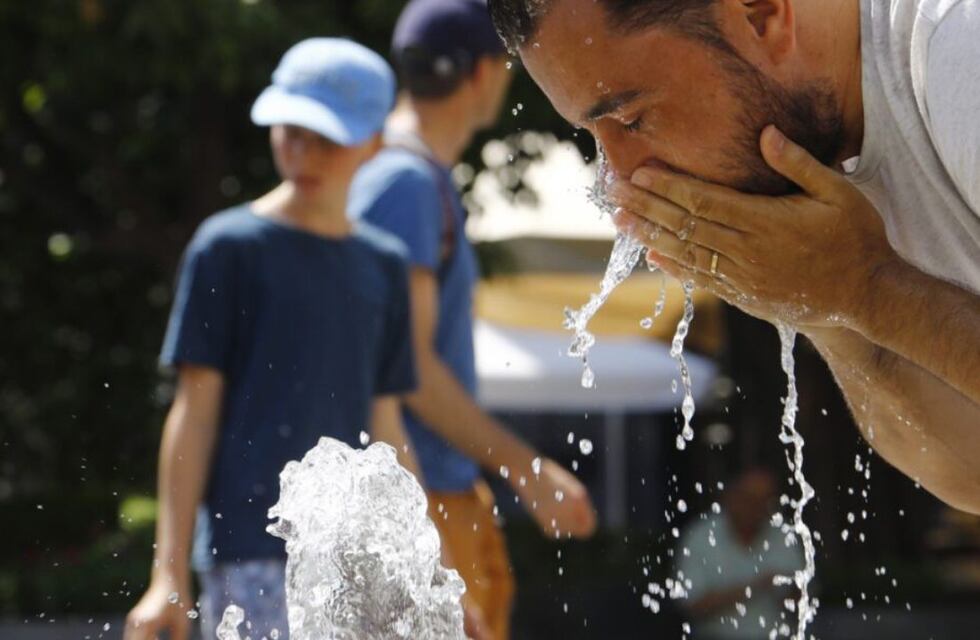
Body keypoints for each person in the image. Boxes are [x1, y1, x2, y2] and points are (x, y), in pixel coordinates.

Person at [488, 0, 980, 513]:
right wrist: (825, 305)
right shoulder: (817, 143)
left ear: (762, 15)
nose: (618, 182)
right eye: (594, 136)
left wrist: (870, 288)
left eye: (631, 120)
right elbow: (970, 476)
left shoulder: (959, 42)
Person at [124, 38, 419, 640]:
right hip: (250, 555)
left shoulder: (385, 265)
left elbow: (388, 428)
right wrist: (167, 574)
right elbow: (194, 414)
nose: (304, 154)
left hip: (364, 564)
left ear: (374, 143)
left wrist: (427, 564)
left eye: (327, 139)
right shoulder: (227, 248)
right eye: (291, 132)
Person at [349, 1, 598, 637]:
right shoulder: (405, 184)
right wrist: (526, 469)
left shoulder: (403, 176)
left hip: (431, 494)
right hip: (421, 500)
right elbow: (408, 369)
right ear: (484, 73)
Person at [678, 468, 802, 640]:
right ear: (731, 497)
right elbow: (691, 604)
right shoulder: (700, 536)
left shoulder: (783, 534)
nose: (757, 508)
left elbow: (804, 601)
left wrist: (792, 590)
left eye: (765, 501)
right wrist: (756, 586)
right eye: (750, 499)